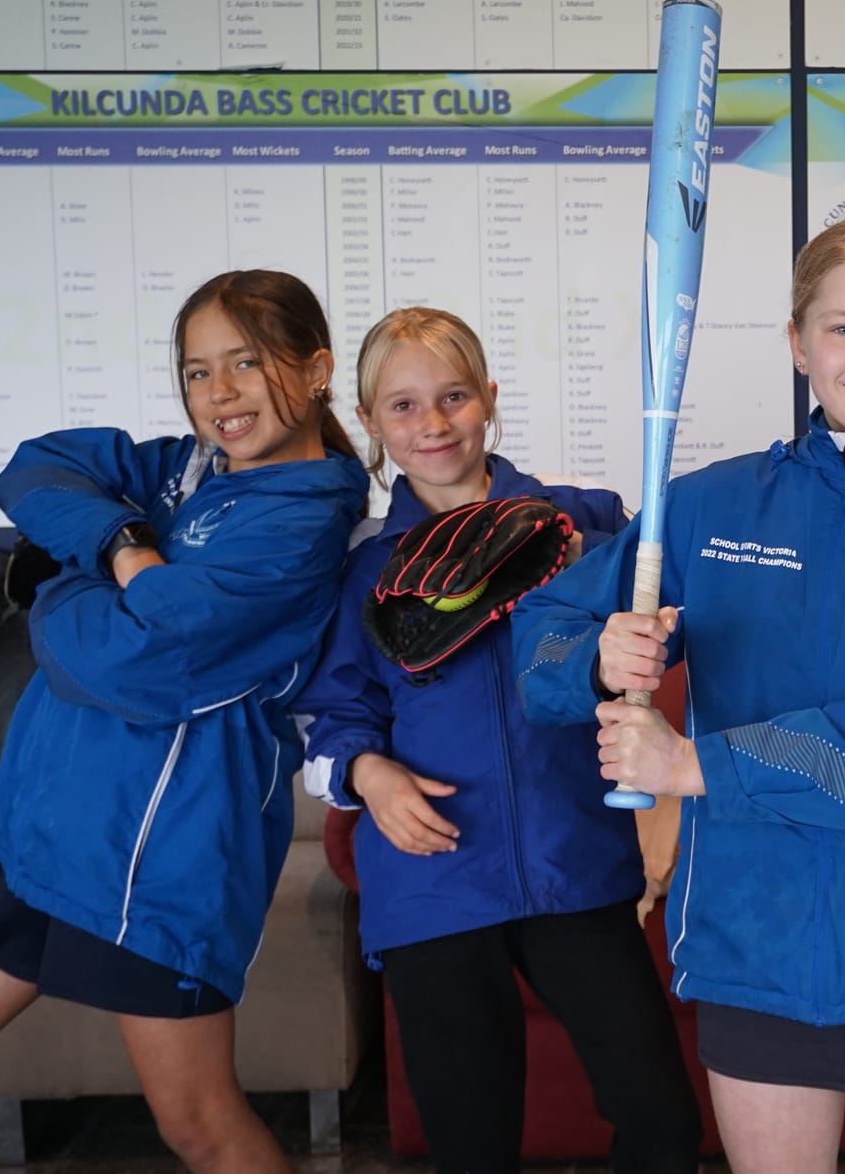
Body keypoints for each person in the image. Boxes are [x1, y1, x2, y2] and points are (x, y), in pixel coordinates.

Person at [512, 214, 845, 1174]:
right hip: (750, 941)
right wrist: (601, 657)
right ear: (799, 342)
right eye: (843, 327)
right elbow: (536, 643)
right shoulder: (711, 503)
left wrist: (694, 763)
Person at [0, 270, 370, 1173]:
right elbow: (34, 466)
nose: (219, 392)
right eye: (197, 371)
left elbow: (136, 655)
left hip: (156, 864)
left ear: (314, 370)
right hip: (44, 839)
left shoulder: (301, 523)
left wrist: (56, 580)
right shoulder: (184, 471)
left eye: (246, 361)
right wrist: (120, 546)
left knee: (199, 1126)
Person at [294, 307, 700, 1174]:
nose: (432, 423)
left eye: (452, 396)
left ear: (488, 399)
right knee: (471, 1147)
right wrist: (370, 774)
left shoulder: (577, 526)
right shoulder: (365, 568)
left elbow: (665, 631)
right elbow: (333, 719)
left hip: (574, 866)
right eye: (402, 406)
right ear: (370, 422)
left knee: (662, 1120)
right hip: (433, 879)